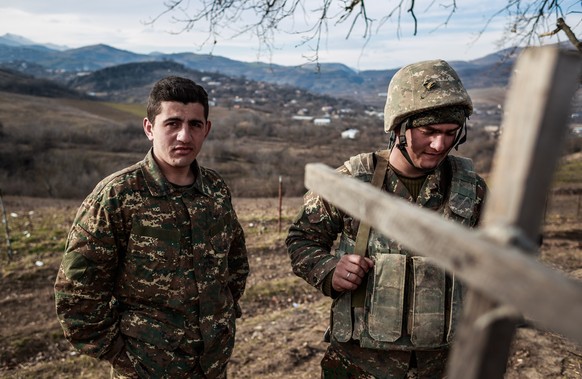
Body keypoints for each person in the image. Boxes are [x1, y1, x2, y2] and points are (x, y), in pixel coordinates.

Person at [286, 59, 488, 379]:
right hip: (360, 364)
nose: (440, 145)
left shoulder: (470, 189)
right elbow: (302, 238)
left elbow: (496, 262)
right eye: (429, 131)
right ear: (399, 128)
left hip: (446, 363)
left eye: (451, 133)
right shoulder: (353, 181)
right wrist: (329, 270)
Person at [54, 76, 249, 378]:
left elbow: (235, 265)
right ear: (149, 128)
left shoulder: (215, 189)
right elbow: (77, 295)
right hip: (148, 369)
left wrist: (222, 321)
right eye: (172, 123)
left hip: (212, 366)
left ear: (206, 129)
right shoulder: (117, 197)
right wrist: (124, 358)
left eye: (194, 124)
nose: (184, 136)